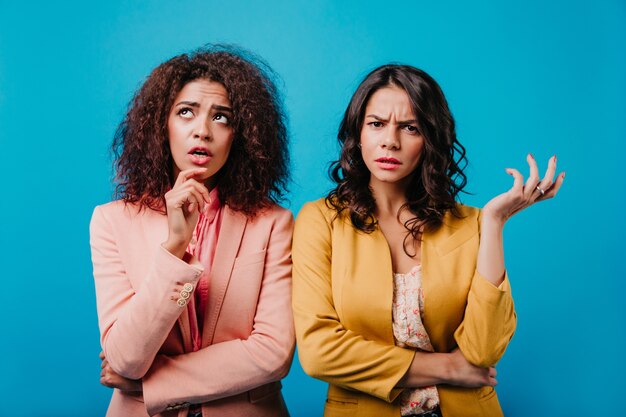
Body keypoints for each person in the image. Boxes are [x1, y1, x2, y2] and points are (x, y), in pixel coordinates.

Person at [292, 64, 564, 417]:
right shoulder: (320, 221)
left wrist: (495, 222)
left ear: (430, 140)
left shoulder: (471, 223)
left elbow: (483, 351)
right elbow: (319, 352)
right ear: (358, 133)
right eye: (376, 124)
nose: (391, 140)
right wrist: (449, 367)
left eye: (410, 127)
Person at [90, 45, 295, 417]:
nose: (202, 131)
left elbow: (272, 354)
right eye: (186, 112)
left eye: (222, 117)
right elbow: (125, 357)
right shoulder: (111, 222)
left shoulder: (274, 223)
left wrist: (152, 384)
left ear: (241, 134)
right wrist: (175, 247)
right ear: (161, 124)